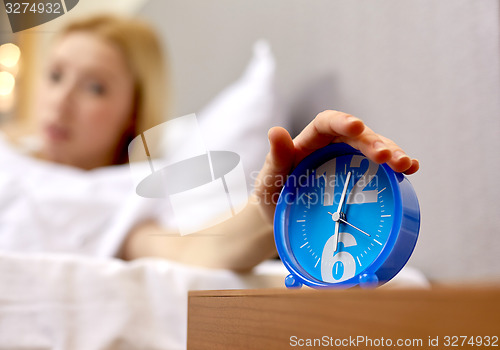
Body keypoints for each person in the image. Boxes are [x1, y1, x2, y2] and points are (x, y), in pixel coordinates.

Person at [1, 15, 419, 271]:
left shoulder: (112, 199)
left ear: (133, 111)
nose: (62, 101)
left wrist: (275, 204)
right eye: (55, 75)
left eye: (94, 87)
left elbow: (197, 253)